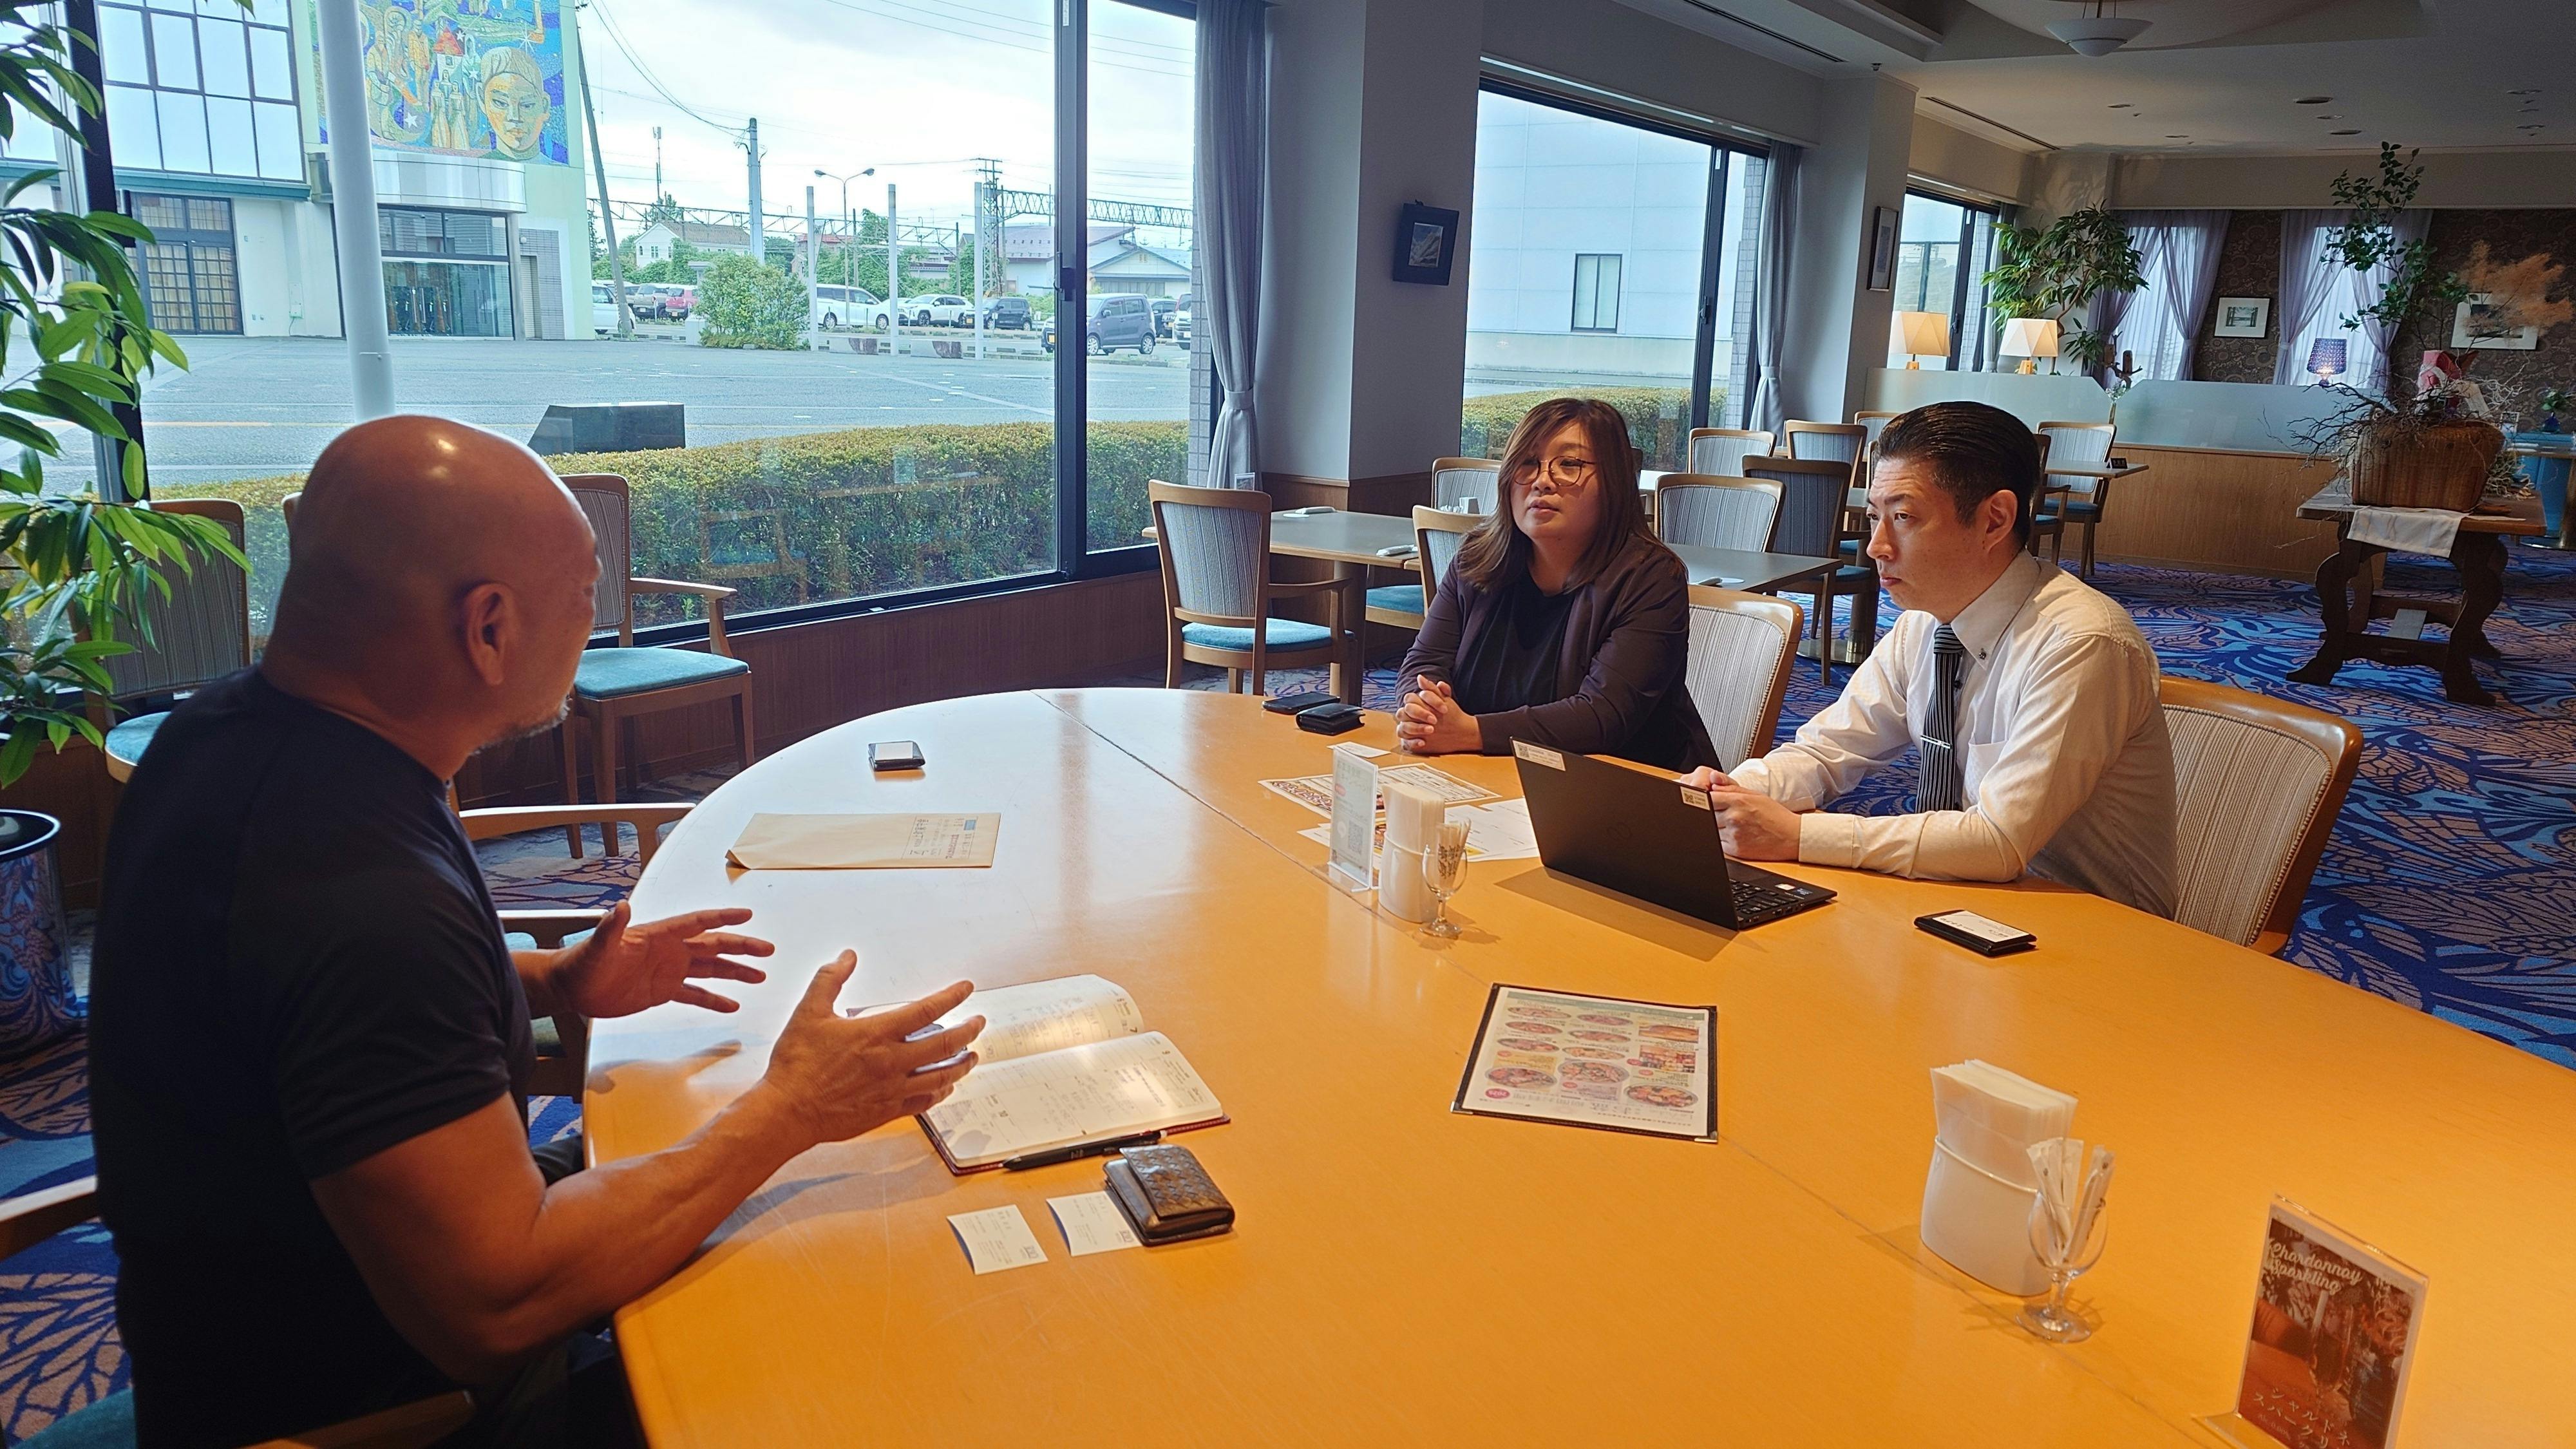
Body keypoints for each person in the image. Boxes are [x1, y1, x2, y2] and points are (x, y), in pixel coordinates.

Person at [88, 417, 987, 1448]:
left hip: (266, 1304)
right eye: (585, 596)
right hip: (387, 1407)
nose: (594, 621)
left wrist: (553, 981)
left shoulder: (226, 739)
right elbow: (499, 1307)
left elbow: (309, 1013)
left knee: (752, 1168)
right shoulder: (358, 897)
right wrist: (792, 1109)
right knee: (869, 1323)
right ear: (489, 628)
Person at [1680, 401, 2176, 915]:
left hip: (2093, 923)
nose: (1876, 546)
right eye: (1874, 517)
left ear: (1994, 520)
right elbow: (1827, 753)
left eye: (1903, 518)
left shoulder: (2081, 644)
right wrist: (1732, 793)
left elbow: (1998, 841)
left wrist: (1798, 836)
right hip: (1962, 897)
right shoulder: (1924, 623)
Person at [1394, 397, 1716, 771]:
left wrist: (1471, 732)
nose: (1542, 481)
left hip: (1614, 787)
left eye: (1570, 464)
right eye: (1528, 463)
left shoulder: (1650, 578)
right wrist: (1423, 709)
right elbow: (1425, 661)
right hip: (1491, 771)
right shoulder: (1477, 558)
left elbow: (1602, 717)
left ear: (1613, 481)